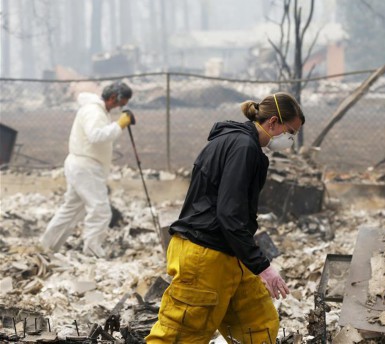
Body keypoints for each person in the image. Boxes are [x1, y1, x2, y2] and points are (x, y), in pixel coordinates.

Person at [146, 92, 305, 344]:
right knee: (180, 335)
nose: (291, 140)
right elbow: (229, 213)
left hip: (229, 253)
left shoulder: (236, 141)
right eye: (291, 132)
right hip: (205, 255)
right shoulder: (243, 148)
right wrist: (263, 267)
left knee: (257, 327)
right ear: (273, 122)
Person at [40, 82, 135, 258]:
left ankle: (46, 247)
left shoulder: (97, 111)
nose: (121, 107)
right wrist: (119, 125)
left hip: (81, 165)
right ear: (113, 97)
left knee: (71, 210)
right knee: (100, 210)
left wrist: (116, 125)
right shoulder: (94, 111)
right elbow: (95, 136)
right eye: (121, 103)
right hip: (86, 167)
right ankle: (92, 252)